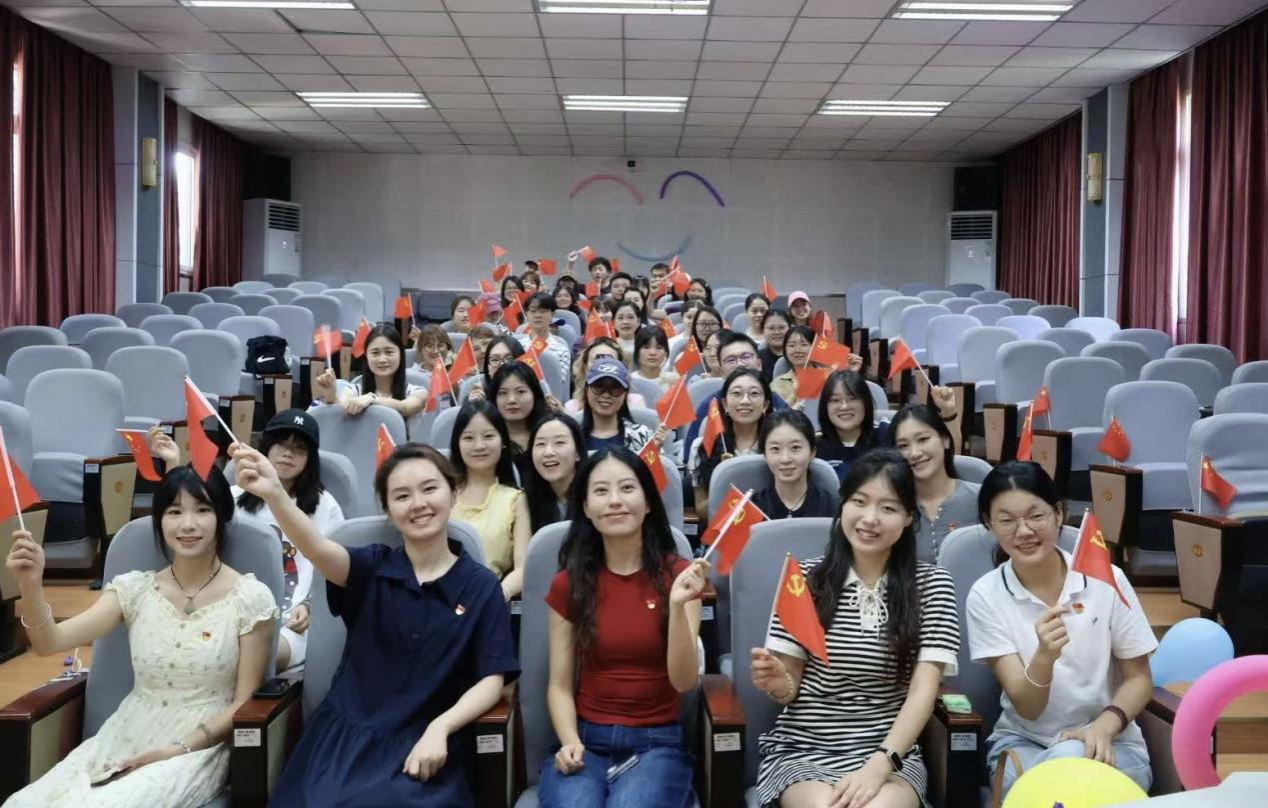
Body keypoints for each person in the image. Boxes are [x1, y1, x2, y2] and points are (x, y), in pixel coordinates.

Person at [233, 442, 518, 806]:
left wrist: (442, 726)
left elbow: (493, 681)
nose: (418, 503)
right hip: (343, 745)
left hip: (425, 747)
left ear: (453, 492)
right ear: (387, 509)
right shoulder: (371, 568)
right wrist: (275, 493)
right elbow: (316, 547)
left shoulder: (481, 587)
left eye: (429, 488)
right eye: (402, 495)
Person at [3, 466, 276, 807]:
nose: (188, 524)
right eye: (174, 512)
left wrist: (176, 749)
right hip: (124, 734)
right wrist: (30, 584)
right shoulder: (135, 589)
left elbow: (241, 703)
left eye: (202, 510)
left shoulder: (250, 599)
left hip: (197, 747)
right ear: (159, 520)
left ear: (222, 516)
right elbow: (49, 643)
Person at [751, 449, 960, 808]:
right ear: (843, 504)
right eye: (859, 502)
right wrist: (776, 682)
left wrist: (879, 765)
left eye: (888, 508)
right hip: (805, 751)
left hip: (891, 755)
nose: (870, 518)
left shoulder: (932, 585)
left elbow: (923, 691)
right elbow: (788, 689)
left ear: (909, 517)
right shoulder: (805, 578)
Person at [967, 462, 1157, 798]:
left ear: (1058, 513)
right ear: (989, 524)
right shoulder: (986, 595)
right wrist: (1044, 656)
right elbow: (1028, 708)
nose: (1024, 531)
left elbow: (1139, 679)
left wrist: (1104, 726)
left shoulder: (1106, 579)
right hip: (1025, 742)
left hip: (1112, 741)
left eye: (1035, 516)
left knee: (1053, 785)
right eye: (1007, 521)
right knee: (1063, 777)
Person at [537, 449, 709, 807]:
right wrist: (569, 742)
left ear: (648, 502)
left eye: (627, 488)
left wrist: (678, 606)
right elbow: (559, 686)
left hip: (656, 744)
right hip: (586, 740)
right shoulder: (569, 584)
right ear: (586, 507)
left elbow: (684, 682)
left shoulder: (681, 577)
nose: (615, 500)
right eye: (601, 491)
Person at [150, 412, 342, 675]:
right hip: (223, 611)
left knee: (247, 655)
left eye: (300, 448)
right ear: (266, 447)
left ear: (311, 458)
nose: (288, 454)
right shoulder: (233, 498)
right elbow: (186, 518)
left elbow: (334, 569)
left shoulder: (325, 506)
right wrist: (173, 463)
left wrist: (310, 605)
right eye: (281, 444)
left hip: (290, 620)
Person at [450, 401, 531, 601]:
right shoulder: (442, 494)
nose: (479, 446)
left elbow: (523, 569)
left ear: (503, 441)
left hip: (491, 598)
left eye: (488, 436)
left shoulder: (515, 499)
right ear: (457, 444)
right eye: (468, 438)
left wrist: (496, 596)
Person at [680, 331, 790, 466]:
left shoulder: (774, 401)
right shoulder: (710, 404)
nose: (740, 364)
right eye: (731, 360)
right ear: (721, 371)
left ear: (759, 364)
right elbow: (689, 458)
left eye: (746, 357)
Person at [892, 403, 976, 563]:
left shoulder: (980, 499)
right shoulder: (892, 507)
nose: (914, 453)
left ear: (945, 440)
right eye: (903, 446)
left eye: (923, 439)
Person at [690, 368, 772, 518]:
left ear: (765, 405)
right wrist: (725, 477)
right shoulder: (701, 447)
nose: (745, 401)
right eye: (737, 393)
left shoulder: (776, 447)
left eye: (754, 393)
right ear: (725, 404)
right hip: (724, 528)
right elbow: (702, 510)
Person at [316, 324, 426, 418]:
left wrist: (373, 399)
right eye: (375, 353)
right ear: (367, 357)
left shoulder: (418, 391)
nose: (382, 359)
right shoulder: (354, 391)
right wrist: (330, 395)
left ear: (401, 355)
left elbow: (406, 407)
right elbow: (343, 410)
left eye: (389, 352)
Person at [752, 410, 836, 520]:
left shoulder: (833, 506)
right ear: (765, 455)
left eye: (795, 447)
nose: (785, 459)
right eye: (775, 449)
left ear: (812, 452)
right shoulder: (751, 509)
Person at [580, 357, 666, 454]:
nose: (606, 395)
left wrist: (654, 452)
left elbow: (655, 463)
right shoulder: (573, 437)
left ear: (625, 394)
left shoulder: (642, 436)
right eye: (599, 386)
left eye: (615, 388)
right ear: (586, 390)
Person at [525, 414, 589, 534]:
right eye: (540, 444)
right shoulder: (524, 502)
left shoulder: (592, 497)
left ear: (578, 453)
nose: (548, 452)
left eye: (559, 442)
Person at [566, 337, 645, 415]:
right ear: (585, 368)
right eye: (597, 359)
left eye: (610, 360)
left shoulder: (635, 404)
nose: (603, 364)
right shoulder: (572, 408)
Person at [516, 291, 572, 384]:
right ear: (526, 314)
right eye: (533, 311)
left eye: (543, 311)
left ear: (552, 315)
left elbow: (558, 383)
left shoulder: (561, 350)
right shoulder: (517, 346)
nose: (538, 315)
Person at [466, 334, 524, 404]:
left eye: (509, 358)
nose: (502, 365)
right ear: (488, 368)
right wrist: (477, 406)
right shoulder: (478, 396)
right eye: (495, 360)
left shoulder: (533, 392)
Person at [770, 325, 818, 404]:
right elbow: (778, 411)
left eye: (803, 344)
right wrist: (795, 394)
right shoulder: (777, 384)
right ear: (785, 350)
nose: (797, 350)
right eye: (792, 345)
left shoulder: (827, 378)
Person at [632, 325, 679, 392]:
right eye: (646, 347)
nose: (652, 353)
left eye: (659, 348)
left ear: (666, 352)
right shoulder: (630, 382)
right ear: (637, 352)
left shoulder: (674, 381)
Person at [759, 308, 791, 382]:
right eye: (771, 328)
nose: (777, 332)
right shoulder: (757, 358)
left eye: (782, 328)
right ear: (763, 330)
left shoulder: (798, 355)